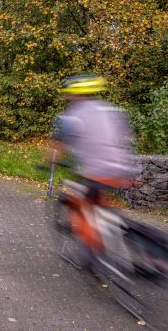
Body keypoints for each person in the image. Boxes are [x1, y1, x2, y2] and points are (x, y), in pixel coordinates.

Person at [50, 74, 136, 257]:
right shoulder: (112, 110)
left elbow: (58, 146)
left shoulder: (71, 116)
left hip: (95, 173)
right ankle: (113, 230)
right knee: (100, 203)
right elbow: (122, 138)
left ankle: (93, 255)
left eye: (67, 94)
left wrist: (50, 162)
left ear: (73, 94)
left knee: (82, 208)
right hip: (122, 170)